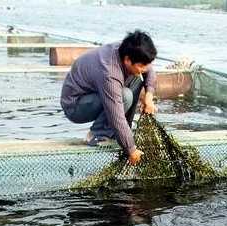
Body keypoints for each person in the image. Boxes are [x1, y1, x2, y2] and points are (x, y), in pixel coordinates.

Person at [60, 31, 159, 166]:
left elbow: (149, 69)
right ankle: (97, 134)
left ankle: (124, 132)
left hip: (96, 94)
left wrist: (149, 97)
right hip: (75, 105)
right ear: (127, 60)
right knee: (125, 96)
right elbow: (116, 115)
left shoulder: (127, 49)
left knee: (137, 78)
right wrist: (131, 149)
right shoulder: (109, 72)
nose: (144, 68)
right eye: (141, 65)